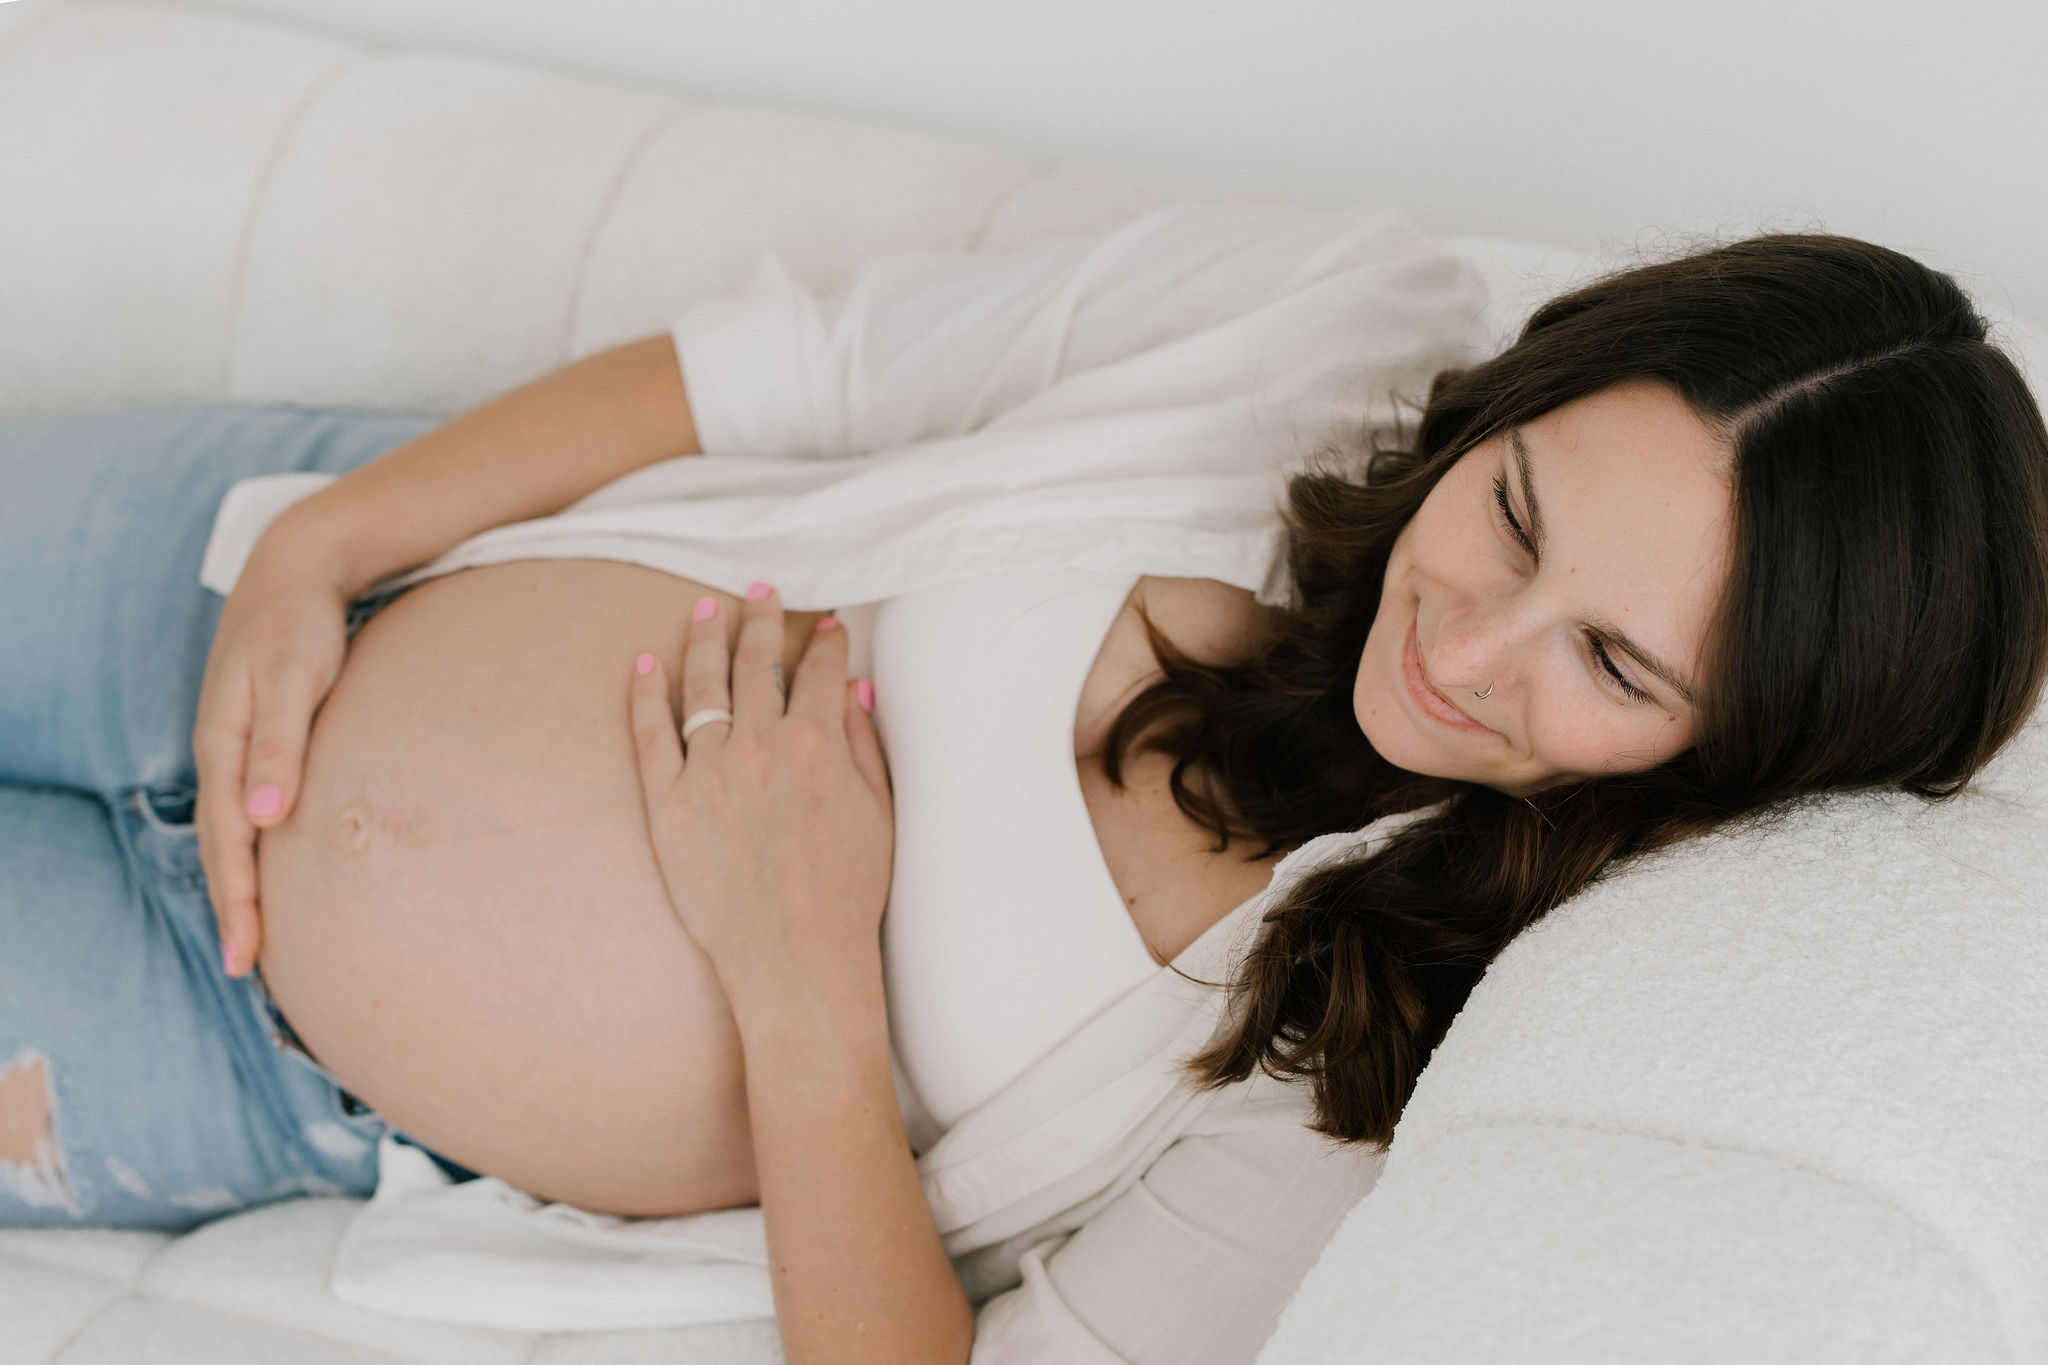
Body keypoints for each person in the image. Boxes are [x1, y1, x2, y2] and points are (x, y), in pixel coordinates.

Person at [2, 203, 2045, 1365]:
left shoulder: (1379, 1050)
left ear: (1737, 752)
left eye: (1613, 662)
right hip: (235, 572)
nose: (1472, 644)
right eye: (1511, 513)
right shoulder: (1331, 330)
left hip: (243, 1038)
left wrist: (799, 967)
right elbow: (781, 366)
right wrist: (317, 544)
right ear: (1508, 404)